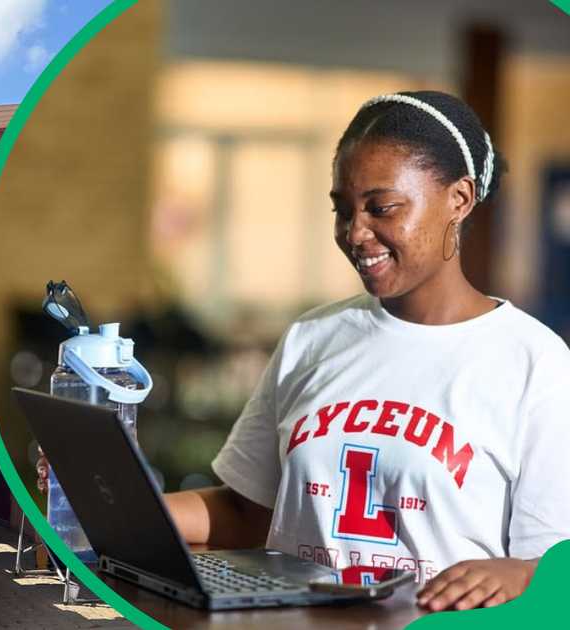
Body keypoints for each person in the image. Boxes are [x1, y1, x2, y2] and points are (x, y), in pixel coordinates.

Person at [158, 91, 570, 613]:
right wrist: (115, 507)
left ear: (459, 199)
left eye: (382, 208)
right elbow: (246, 512)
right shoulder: (314, 336)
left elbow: (553, 566)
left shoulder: (535, 362)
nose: (355, 232)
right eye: (342, 209)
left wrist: (517, 573)